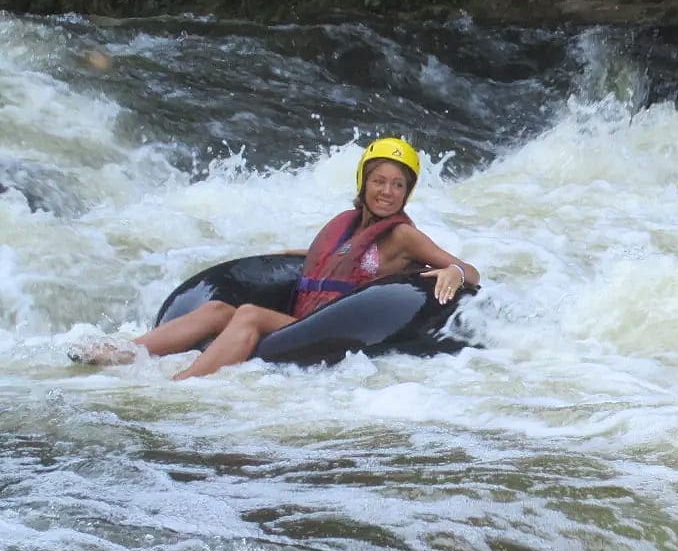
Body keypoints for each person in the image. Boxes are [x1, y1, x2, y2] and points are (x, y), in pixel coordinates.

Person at [76, 137, 479, 379]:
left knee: (249, 314)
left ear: (406, 193)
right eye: (378, 181)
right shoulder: (348, 223)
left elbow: (468, 269)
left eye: (397, 185)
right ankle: (124, 350)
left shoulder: (403, 234)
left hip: (325, 331)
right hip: (303, 320)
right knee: (219, 308)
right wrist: (294, 255)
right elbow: (338, 261)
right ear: (364, 182)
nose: (386, 192)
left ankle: (183, 383)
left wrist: (452, 273)